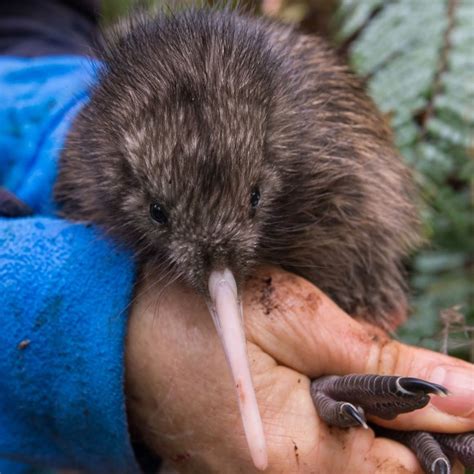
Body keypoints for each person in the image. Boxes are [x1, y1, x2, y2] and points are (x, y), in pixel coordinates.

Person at [0, 1, 472, 473]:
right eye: (160, 213)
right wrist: (92, 331)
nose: (215, 264)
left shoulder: (317, 159)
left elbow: (36, 20)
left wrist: (39, 131)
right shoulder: (106, 165)